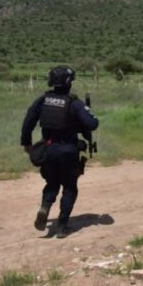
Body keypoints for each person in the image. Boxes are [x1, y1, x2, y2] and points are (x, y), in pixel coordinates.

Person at [21, 66, 99, 238]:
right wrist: (90, 115)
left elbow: (28, 122)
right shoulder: (74, 103)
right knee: (70, 187)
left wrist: (27, 144)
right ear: (69, 83)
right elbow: (92, 124)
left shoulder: (43, 100)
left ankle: (45, 207)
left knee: (52, 183)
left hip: (48, 149)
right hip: (68, 151)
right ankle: (63, 226)